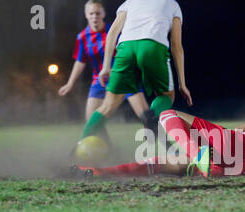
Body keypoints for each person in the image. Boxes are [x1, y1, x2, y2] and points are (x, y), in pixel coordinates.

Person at [71, 98, 245, 179]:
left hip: (235, 149)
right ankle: (99, 173)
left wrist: (213, 138)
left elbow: (242, 129)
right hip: (238, 169)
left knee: (167, 115)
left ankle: (198, 157)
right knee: (171, 162)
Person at [79, 0, 193, 142]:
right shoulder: (173, 4)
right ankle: (150, 119)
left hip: (125, 48)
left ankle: (78, 147)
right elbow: (176, 46)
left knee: (108, 105)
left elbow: (113, 32)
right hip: (152, 46)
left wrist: (106, 67)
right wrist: (182, 84)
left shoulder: (130, 2)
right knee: (167, 95)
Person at [59, 0, 149, 145]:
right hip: (100, 81)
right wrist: (70, 83)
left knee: (146, 116)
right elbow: (80, 61)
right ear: (86, 15)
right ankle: (107, 149)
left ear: (103, 14)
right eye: (91, 13)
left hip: (124, 77)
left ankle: (171, 148)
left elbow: (130, 53)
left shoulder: (114, 32)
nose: (94, 16)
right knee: (92, 120)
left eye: (97, 13)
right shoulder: (82, 37)